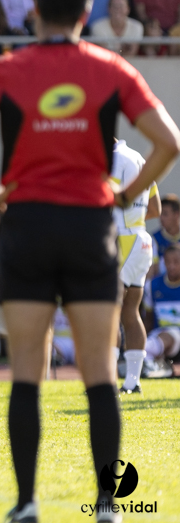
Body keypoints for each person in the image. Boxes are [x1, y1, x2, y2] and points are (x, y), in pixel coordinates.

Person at [0, 0, 180, 523]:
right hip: (91, 228)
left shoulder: (8, 67)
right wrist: (129, 194)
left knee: (27, 372)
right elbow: (168, 142)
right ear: (88, 10)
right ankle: (106, 505)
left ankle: (25, 503)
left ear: (35, 10)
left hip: (27, 228)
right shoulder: (112, 67)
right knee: (98, 370)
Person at [108, 138, 160, 395]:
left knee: (109, 312)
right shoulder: (139, 157)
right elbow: (156, 209)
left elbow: (104, 200)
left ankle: (106, 382)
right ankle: (132, 381)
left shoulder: (114, 160)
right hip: (141, 238)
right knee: (132, 311)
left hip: (122, 240)